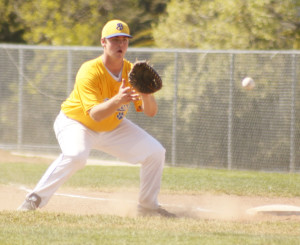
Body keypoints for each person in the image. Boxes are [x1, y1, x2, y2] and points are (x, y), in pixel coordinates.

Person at [18, 19, 175, 217]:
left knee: (155, 152)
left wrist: (146, 94)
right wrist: (118, 100)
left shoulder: (131, 72)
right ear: (103, 42)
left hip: (113, 127)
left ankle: (148, 208)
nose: (120, 44)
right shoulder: (90, 70)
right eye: (115, 40)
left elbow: (150, 112)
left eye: (124, 40)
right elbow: (95, 114)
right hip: (76, 123)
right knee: (76, 156)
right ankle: (34, 199)